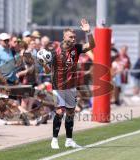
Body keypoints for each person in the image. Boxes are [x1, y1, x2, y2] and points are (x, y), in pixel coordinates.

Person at [42, 19, 95, 149]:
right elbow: (47, 70)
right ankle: (54, 139)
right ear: (64, 37)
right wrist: (44, 63)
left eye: (74, 37)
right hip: (58, 86)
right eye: (71, 37)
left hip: (71, 85)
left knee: (71, 112)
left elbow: (92, 46)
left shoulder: (76, 48)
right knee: (60, 112)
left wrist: (88, 32)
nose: (73, 39)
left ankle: (69, 140)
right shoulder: (55, 51)